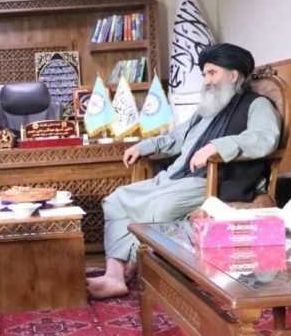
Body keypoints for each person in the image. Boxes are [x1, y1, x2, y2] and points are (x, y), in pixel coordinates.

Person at [87, 43, 280, 299]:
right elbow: (177, 137)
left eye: (212, 73)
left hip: (212, 181)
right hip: (176, 176)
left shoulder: (257, 104)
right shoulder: (208, 108)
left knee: (159, 208)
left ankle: (133, 262)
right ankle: (114, 276)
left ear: (233, 75)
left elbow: (266, 138)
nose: (206, 80)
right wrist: (144, 146)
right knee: (115, 200)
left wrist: (217, 146)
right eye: (204, 74)